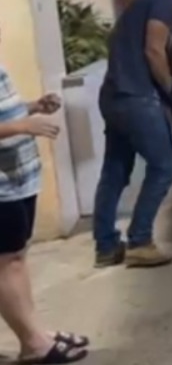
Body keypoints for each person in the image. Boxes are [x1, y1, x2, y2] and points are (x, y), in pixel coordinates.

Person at [93, 0, 172, 269]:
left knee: (114, 171)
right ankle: (139, 241)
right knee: (165, 166)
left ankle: (106, 247)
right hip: (137, 97)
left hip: (113, 95)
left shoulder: (140, 0)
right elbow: (153, 49)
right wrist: (170, 86)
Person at [0, 27, 91, 363]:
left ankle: (36, 332)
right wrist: (21, 127)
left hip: (19, 177)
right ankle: (33, 344)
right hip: (2, 185)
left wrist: (31, 107)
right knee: (5, 264)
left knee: (16, 259)